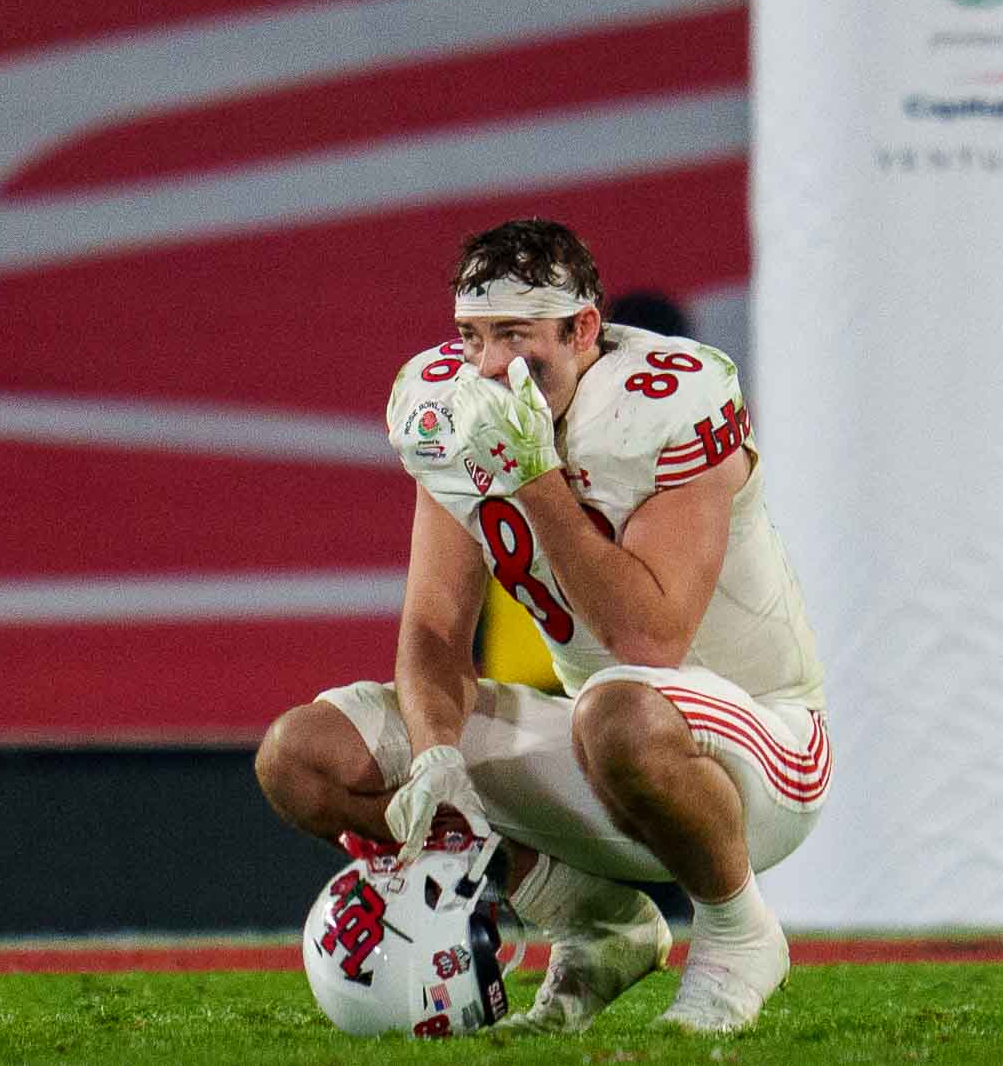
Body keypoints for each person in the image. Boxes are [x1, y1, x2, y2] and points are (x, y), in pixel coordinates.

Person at [255, 218, 829, 1035]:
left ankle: (739, 933)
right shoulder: (454, 407)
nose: (490, 366)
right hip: (601, 746)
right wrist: (437, 754)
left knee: (619, 707)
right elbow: (430, 627)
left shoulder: (667, 407)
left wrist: (536, 480)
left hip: (763, 755)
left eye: (516, 336)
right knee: (302, 757)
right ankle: (595, 923)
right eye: (473, 337)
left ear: (583, 327)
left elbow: (651, 642)